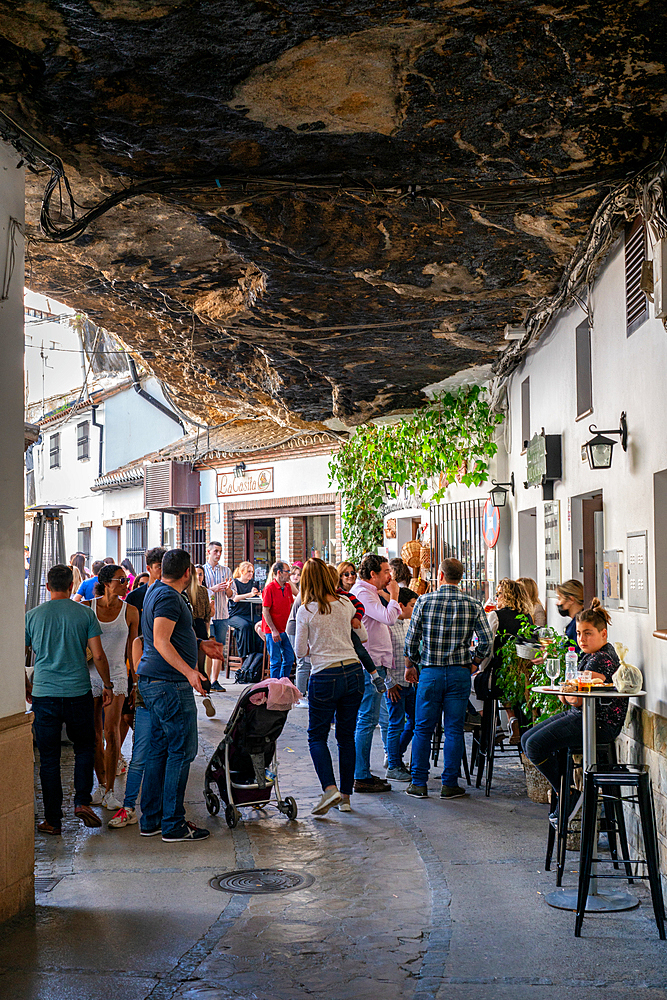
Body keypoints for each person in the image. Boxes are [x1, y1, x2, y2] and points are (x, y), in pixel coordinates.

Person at [25, 564, 113, 834]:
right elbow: (97, 655)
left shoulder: (32, 616)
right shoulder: (84, 614)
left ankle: (52, 820)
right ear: (72, 586)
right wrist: (108, 685)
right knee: (85, 747)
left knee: (49, 758)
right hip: (78, 693)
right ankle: (81, 801)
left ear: (48, 587)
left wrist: (25, 684)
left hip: (44, 694)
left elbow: (17, 654)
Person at [521, 600, 625, 810]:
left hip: (598, 724)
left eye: (588, 633)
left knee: (533, 745)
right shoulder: (589, 655)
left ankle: (567, 793)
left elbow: (575, 697)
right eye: (578, 633)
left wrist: (569, 690)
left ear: (603, 634)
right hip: (582, 716)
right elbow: (567, 695)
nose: (581, 639)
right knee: (526, 739)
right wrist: (569, 691)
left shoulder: (601, 659)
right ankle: (566, 791)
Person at [136, 548, 210, 842]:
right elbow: (161, 641)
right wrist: (191, 672)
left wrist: (201, 645)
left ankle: (152, 820)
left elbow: (170, 637)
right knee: (181, 752)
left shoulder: (155, 589)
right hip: (168, 684)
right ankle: (173, 824)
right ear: (188, 572)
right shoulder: (167, 596)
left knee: (160, 750)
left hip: (157, 683)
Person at [404, 558, 494, 799]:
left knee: (422, 728)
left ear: (440, 576)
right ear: (460, 578)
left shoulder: (423, 600)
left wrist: (411, 664)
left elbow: (412, 640)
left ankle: (418, 783)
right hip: (459, 673)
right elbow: (486, 640)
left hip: (430, 672)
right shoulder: (473, 604)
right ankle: (449, 784)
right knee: (454, 729)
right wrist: (474, 662)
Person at [295, 558, 367, 815]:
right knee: (346, 736)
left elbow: (300, 651)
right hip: (354, 671)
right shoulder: (346, 603)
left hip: (325, 675)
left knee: (317, 735)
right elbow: (363, 634)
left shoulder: (307, 610)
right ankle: (346, 797)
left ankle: (329, 788)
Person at [86, 564, 139, 810]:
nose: (126, 583)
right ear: (106, 583)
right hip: (89, 675)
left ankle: (110, 791)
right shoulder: (88, 608)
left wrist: (135, 679)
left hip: (117, 675)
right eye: (121, 580)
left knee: (111, 730)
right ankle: (100, 783)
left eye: (126, 580)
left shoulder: (130, 611)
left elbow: (132, 648)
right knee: (94, 736)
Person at [350, 554, 400, 793]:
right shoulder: (363, 593)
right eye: (385, 571)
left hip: (377, 662)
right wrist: (396, 595)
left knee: (377, 719)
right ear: (373, 574)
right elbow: (389, 618)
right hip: (369, 665)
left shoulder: (371, 592)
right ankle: (360, 775)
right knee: (367, 720)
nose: (389, 576)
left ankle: (365, 772)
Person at [109, 634, 149, 829]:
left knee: (169, 757)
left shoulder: (179, 636)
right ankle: (129, 807)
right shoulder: (139, 642)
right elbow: (140, 668)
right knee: (139, 757)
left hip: (169, 702)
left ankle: (160, 808)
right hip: (146, 703)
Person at [385, 588, 418, 781]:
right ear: (401, 605)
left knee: (414, 721)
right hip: (395, 683)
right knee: (395, 723)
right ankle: (394, 765)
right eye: (412, 606)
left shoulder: (408, 624)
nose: (414, 609)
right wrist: (389, 682)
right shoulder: (388, 626)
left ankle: (395, 754)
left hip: (410, 683)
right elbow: (383, 656)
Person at [203, 541, 233, 691]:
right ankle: (206, 679)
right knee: (209, 645)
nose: (218, 554)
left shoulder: (226, 571)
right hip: (208, 615)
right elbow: (199, 591)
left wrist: (227, 589)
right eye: (215, 551)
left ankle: (215, 680)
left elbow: (232, 594)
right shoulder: (201, 570)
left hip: (222, 613)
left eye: (220, 551)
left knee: (219, 647)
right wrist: (213, 589)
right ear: (208, 552)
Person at [262, 561, 295, 678]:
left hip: (285, 629)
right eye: (287, 572)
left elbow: (291, 606)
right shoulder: (269, 588)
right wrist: (273, 630)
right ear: (279, 573)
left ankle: (282, 683)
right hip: (273, 630)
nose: (290, 574)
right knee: (276, 661)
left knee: (289, 658)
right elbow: (265, 611)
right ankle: (274, 687)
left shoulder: (288, 587)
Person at [226, 562, 261, 658]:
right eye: (249, 571)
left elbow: (256, 595)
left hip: (249, 613)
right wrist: (250, 594)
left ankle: (259, 654)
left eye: (252, 572)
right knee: (244, 626)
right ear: (242, 572)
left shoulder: (253, 583)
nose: (251, 574)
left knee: (260, 623)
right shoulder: (235, 583)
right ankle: (244, 655)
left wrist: (258, 594)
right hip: (235, 615)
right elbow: (235, 598)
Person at [125, 547, 166, 627]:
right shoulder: (134, 597)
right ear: (148, 568)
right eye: (159, 567)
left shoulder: (175, 594)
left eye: (166, 567)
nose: (163, 571)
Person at [556, 579, 585, 650]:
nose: (557, 603)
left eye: (560, 599)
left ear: (571, 600)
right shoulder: (575, 621)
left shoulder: (580, 623)